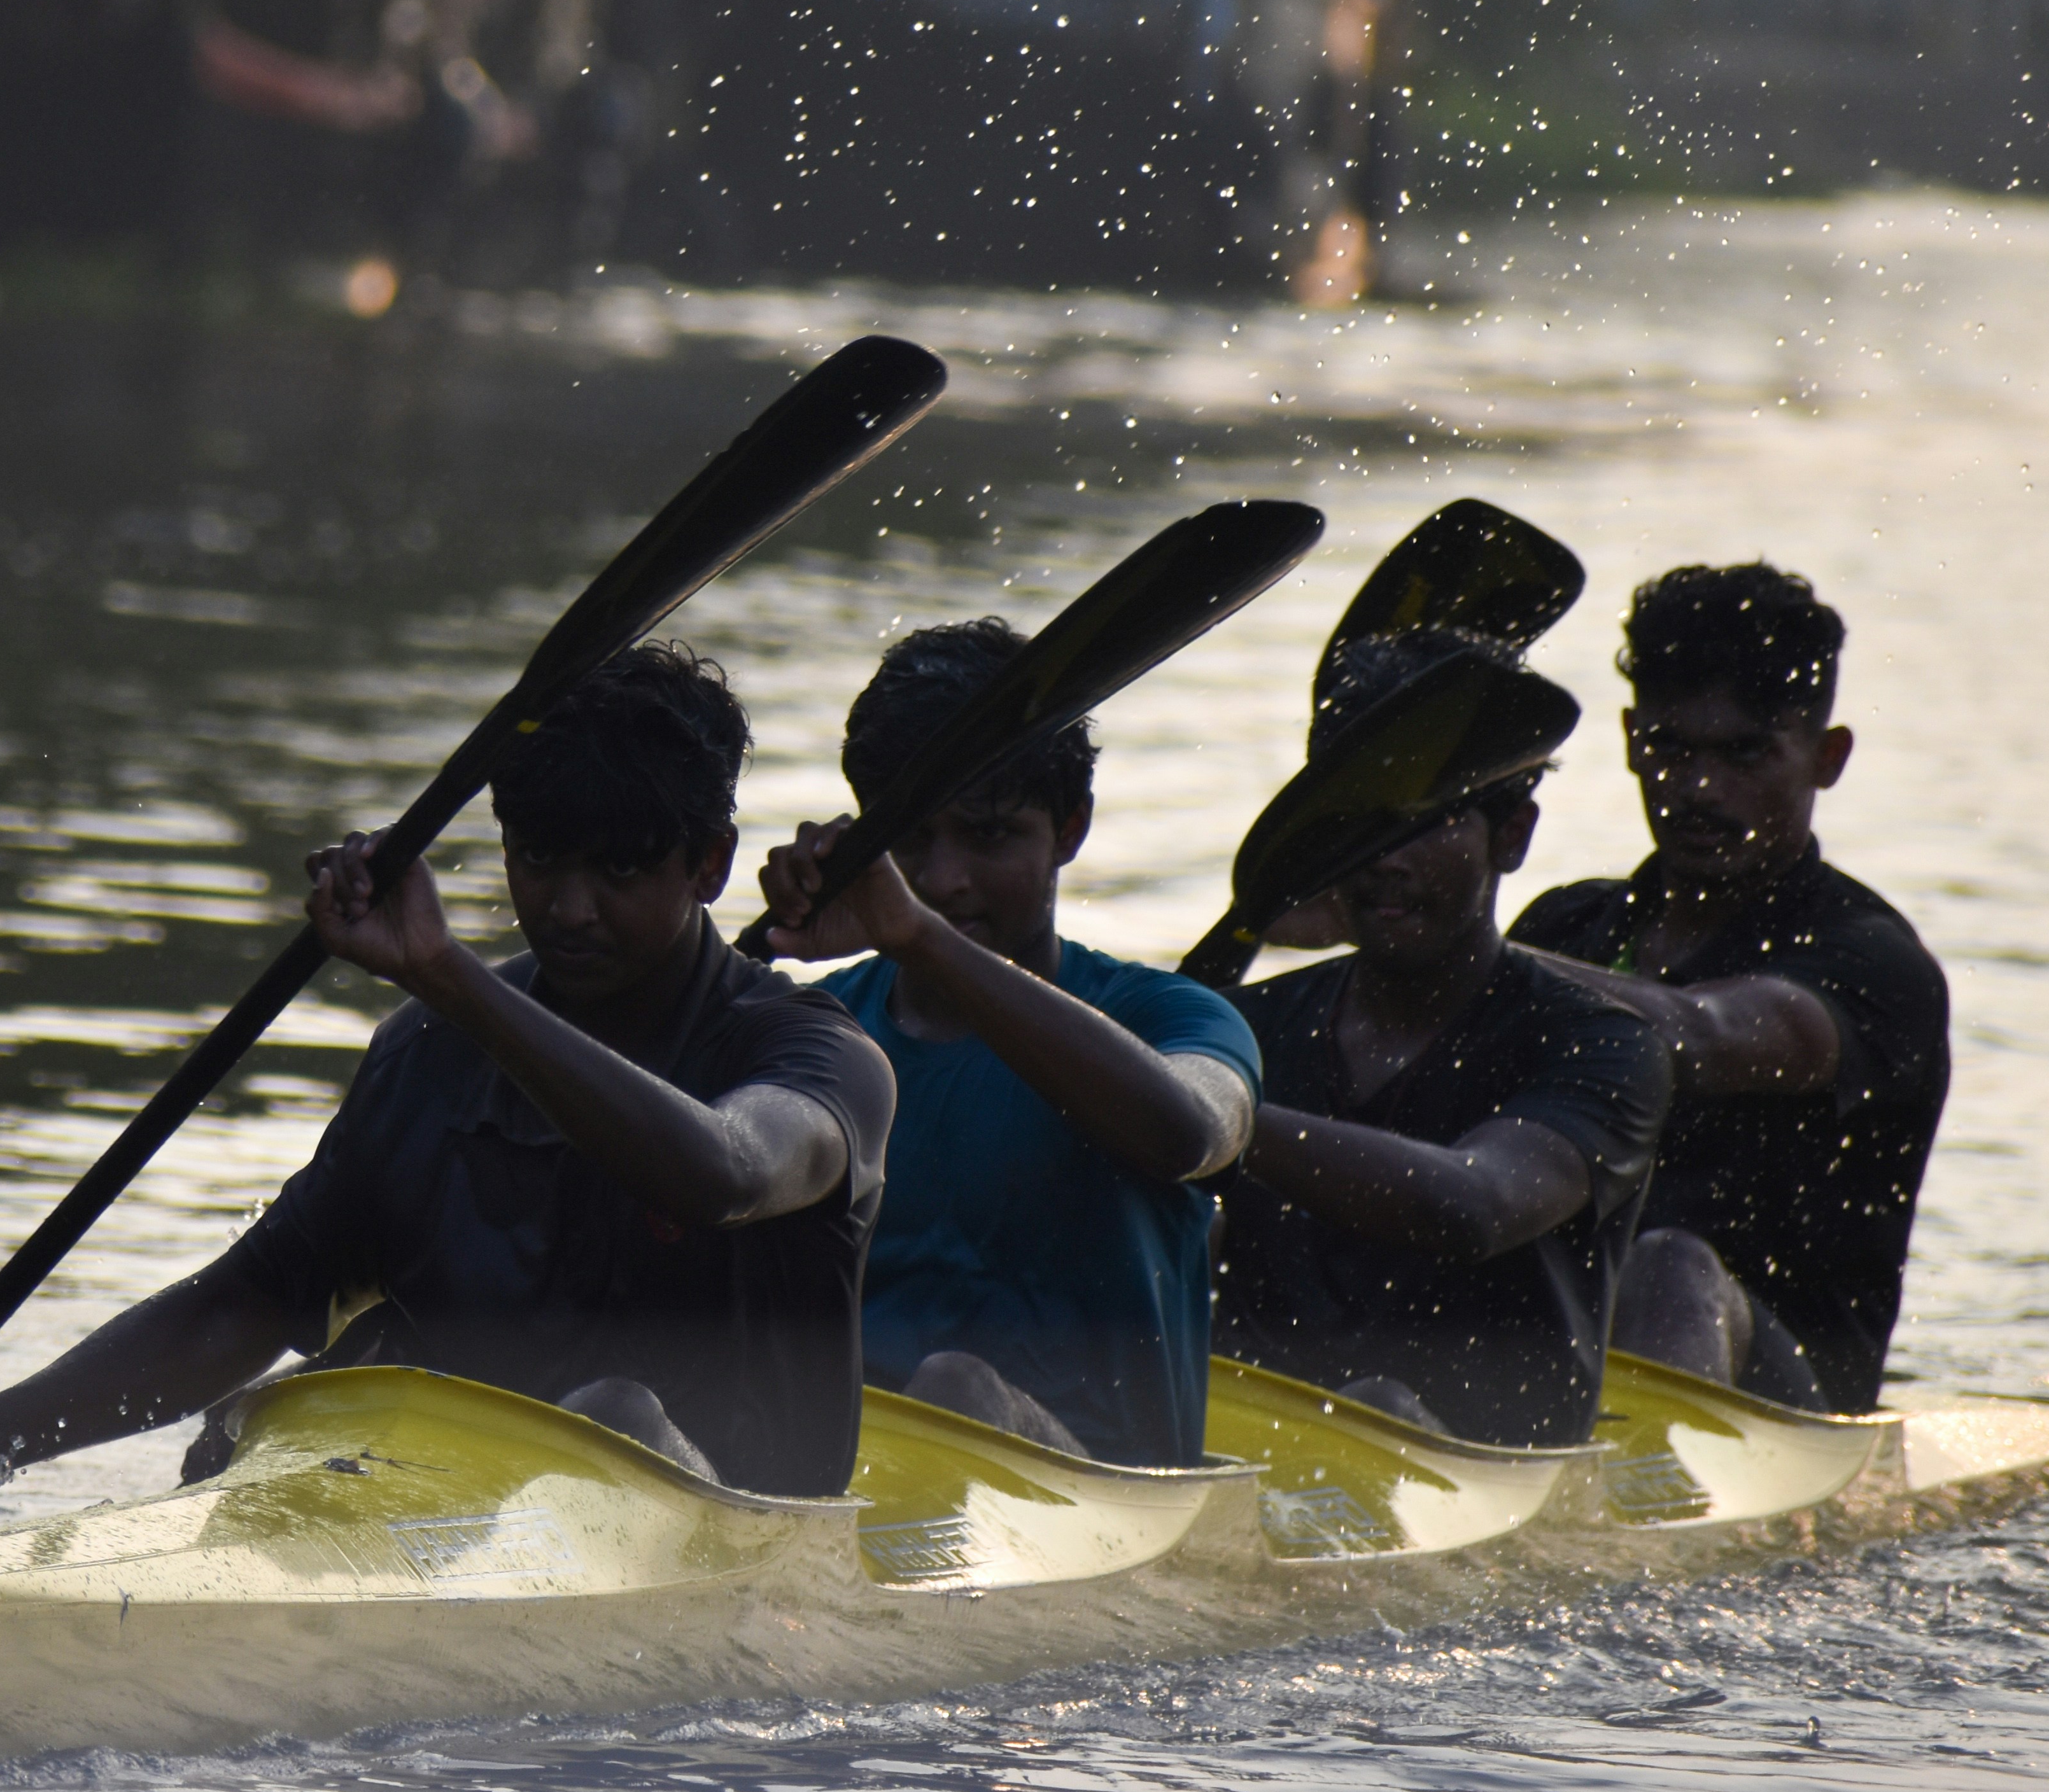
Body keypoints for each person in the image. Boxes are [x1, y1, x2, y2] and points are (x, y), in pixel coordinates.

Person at [0, 643, 900, 1511]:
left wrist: (448, 977)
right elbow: (242, 1302)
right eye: (537, 860)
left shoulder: (814, 1056)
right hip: (466, 1530)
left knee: (611, 1413)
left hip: (752, 1549)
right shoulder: (424, 1058)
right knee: (265, 1415)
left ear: (708, 864)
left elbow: (725, 1173)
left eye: (617, 870)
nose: (567, 908)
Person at [754, 619, 1259, 1467]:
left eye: (989, 837)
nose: (945, 880)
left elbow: (1190, 1135)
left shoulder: (1178, 1018)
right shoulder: (814, 1033)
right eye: (910, 842)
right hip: (857, 1483)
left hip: (1101, 1497)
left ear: (1070, 829)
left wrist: (915, 936)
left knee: (958, 1389)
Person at [1210, 634, 1670, 1446]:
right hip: (1259, 1458)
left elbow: (1472, 1206)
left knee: (1378, 1407)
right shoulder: (1242, 1028)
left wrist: (1218, 1117)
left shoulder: (1603, 1047)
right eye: (1362, 818)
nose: (1385, 858)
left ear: (1513, 837)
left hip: (1485, 1481)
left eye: (1427, 820)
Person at [1510, 564, 1949, 1413]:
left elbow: (1700, 1036)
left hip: (1790, 1405)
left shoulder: (1873, 961)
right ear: (1633, 739)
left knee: (1668, 1265)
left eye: (1746, 752)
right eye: (1671, 748)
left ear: (1828, 758)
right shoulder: (1566, 929)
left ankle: (1648, 1521)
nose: (1700, 789)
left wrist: (1457, 961)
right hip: (1558, 1361)